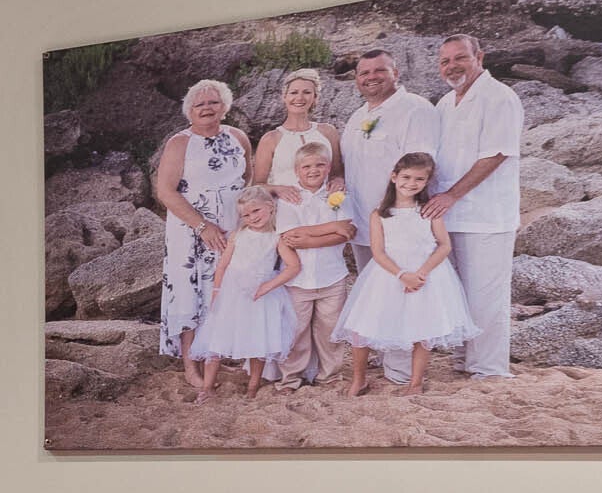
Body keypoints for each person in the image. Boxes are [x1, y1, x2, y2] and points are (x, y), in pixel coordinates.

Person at [336, 151, 473, 397]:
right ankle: (359, 379)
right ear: (394, 177)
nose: (411, 183)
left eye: (419, 179)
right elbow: (378, 252)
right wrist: (402, 275)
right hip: (388, 274)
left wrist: (420, 274)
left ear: (426, 182)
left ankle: (416, 382)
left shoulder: (428, 211)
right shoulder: (380, 214)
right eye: (406, 177)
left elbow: (444, 245)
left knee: (423, 327)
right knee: (362, 326)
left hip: (425, 276)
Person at [429, 31, 522, 378]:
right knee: (457, 294)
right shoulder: (444, 103)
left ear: (479, 57)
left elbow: (496, 154)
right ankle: (464, 360)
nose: (452, 66)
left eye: (460, 58)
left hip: (487, 215)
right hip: (449, 216)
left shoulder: (499, 97)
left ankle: (490, 369)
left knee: (486, 297)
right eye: (445, 61)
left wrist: (452, 195)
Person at [152, 80, 251, 362]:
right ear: (190, 110)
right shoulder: (180, 143)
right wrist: (202, 225)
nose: (207, 108)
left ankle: (219, 355)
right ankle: (191, 363)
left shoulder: (238, 136)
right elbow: (165, 192)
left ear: (224, 107)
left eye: (213, 102)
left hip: (232, 227)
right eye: (200, 104)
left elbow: (248, 178)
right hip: (191, 230)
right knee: (190, 292)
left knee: (226, 287)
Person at [189, 185, 301, 398]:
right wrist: (216, 291)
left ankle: (252, 387)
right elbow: (222, 266)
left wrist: (268, 286)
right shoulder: (238, 235)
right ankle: (207, 387)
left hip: (260, 296)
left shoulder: (276, 238)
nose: (252, 217)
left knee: (257, 339)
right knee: (218, 337)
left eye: (256, 211)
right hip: (231, 293)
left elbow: (294, 266)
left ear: (270, 206)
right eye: (246, 215)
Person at [337, 48, 440, 273]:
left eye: (379, 70)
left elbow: (421, 169)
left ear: (396, 73)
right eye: (364, 73)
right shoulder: (358, 116)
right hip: (362, 224)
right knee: (371, 287)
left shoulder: (415, 109)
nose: (371, 77)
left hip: (399, 226)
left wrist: (402, 219)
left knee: (404, 285)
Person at [273, 140, 356, 386]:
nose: (313, 170)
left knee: (330, 330)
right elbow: (290, 237)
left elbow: (347, 232)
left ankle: (329, 375)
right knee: (295, 331)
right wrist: (333, 227)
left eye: (320, 165)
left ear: (328, 167)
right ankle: (291, 377)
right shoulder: (288, 199)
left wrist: (309, 237)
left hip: (332, 275)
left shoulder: (339, 196)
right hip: (297, 279)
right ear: (297, 170)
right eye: (306, 166)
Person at [247, 68, 341, 188]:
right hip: (283, 200)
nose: (300, 98)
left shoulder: (328, 132)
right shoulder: (270, 139)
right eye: (294, 92)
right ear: (284, 97)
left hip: (324, 199)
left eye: (307, 92)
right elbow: (257, 185)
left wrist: (338, 180)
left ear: (315, 97)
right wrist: (278, 189)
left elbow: (337, 174)